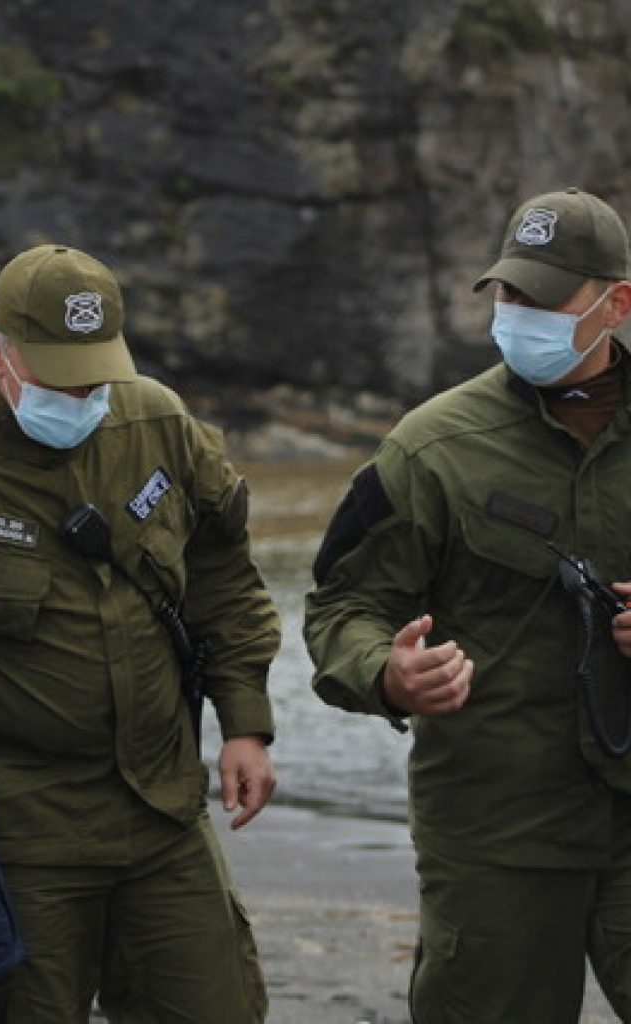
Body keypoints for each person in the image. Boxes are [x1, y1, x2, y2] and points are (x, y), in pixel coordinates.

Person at [0, 243, 281, 1023]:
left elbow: (223, 580)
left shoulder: (159, 423)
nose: (80, 394)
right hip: (20, 836)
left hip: (164, 811)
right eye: (57, 376)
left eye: (96, 375)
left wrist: (246, 723)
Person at [303, 187, 631, 1023]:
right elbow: (341, 608)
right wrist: (388, 674)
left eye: (543, 297)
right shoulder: (430, 447)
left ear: (615, 302)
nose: (517, 313)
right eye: (509, 292)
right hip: (497, 831)